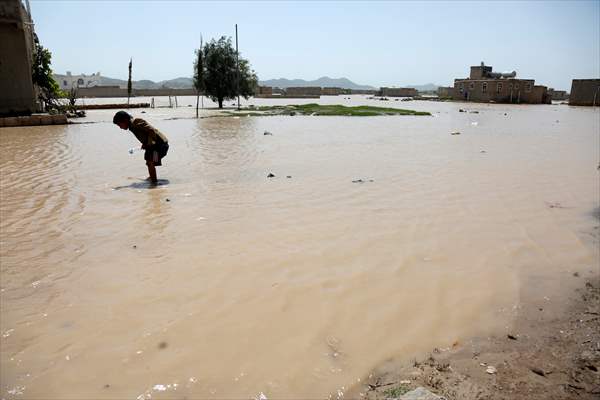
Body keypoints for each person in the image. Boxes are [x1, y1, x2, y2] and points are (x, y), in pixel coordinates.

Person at [113, 111, 169, 184]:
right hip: (155, 146)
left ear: (125, 120)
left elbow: (151, 131)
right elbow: (145, 134)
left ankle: (154, 183)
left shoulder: (136, 122)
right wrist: (145, 143)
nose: (120, 127)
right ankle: (153, 178)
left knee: (150, 161)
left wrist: (149, 143)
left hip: (159, 145)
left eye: (120, 125)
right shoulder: (131, 126)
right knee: (151, 161)